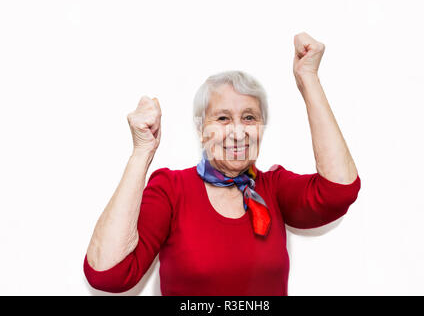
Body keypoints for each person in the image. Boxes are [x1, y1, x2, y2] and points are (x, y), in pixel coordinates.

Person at [83, 32, 361, 295]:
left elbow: (340, 190)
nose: (238, 132)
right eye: (223, 118)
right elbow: (107, 274)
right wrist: (142, 150)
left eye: (250, 117)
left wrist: (308, 78)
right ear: (201, 129)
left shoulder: (274, 188)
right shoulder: (171, 188)